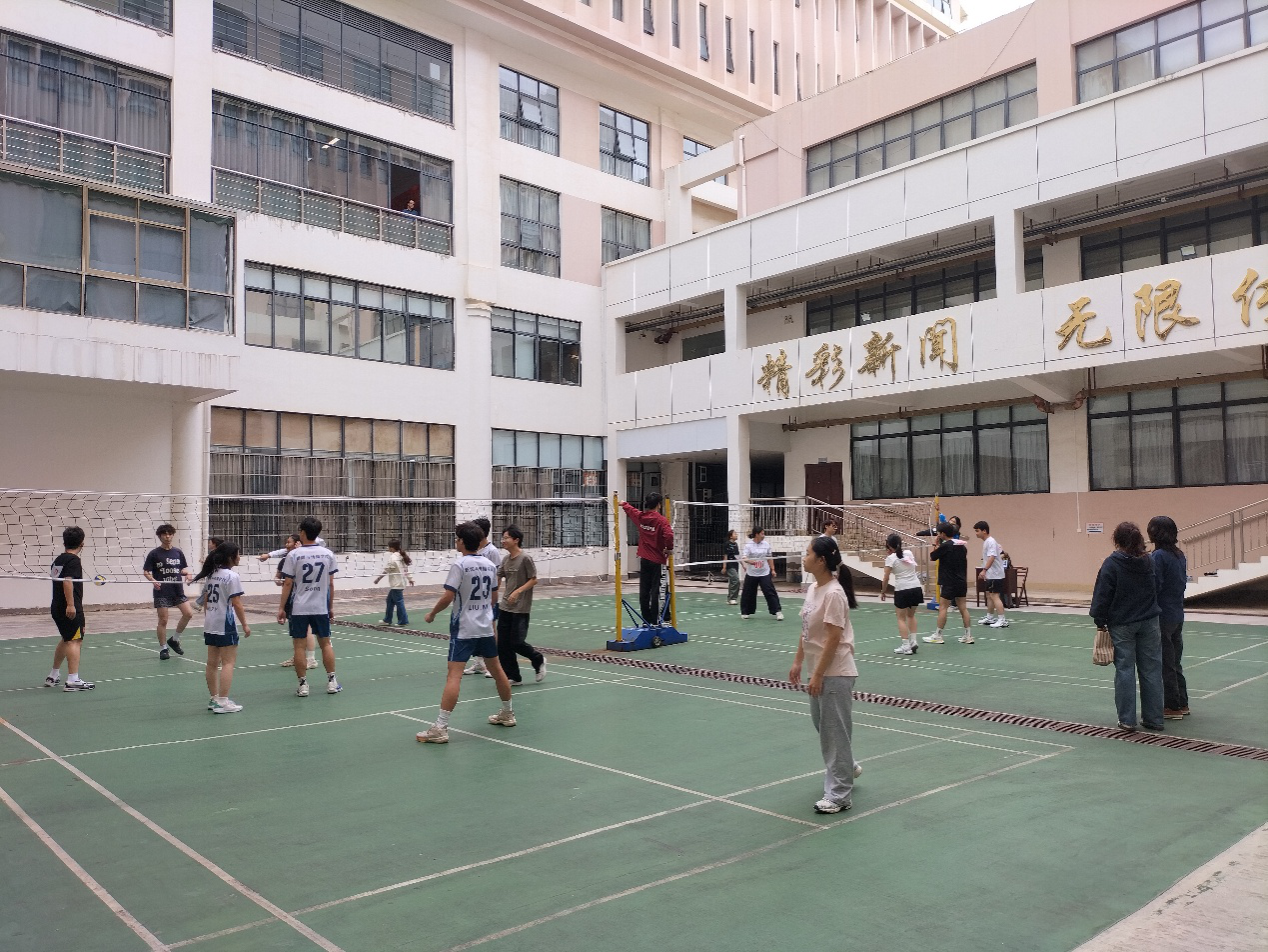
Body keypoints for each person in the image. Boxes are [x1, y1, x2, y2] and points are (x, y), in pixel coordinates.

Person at [416, 522, 517, 744]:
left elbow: (448, 596)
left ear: (462, 541)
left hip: (464, 629)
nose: (456, 541)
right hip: (485, 627)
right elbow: (493, 598)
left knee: (454, 675)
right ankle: (508, 713)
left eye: (457, 538)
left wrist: (432, 613)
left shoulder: (460, 565)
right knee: (497, 669)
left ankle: (440, 727)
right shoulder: (490, 565)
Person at [789, 535, 860, 814]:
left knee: (833, 733)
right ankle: (847, 765)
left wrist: (818, 675)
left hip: (835, 671)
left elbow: (833, 638)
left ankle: (840, 796)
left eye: (807, 553)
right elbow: (806, 629)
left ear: (820, 560)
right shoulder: (813, 589)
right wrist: (798, 661)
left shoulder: (833, 594)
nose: (804, 557)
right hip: (818, 669)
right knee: (825, 727)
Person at [1090, 522, 1164, 732]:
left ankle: (1127, 720)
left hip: (1122, 623)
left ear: (1117, 540)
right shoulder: (1149, 561)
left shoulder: (1112, 564)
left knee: (1124, 669)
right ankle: (1154, 718)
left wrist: (1099, 620)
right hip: (1149, 621)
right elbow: (1157, 586)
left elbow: (1102, 594)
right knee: (1151, 669)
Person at [278, 517, 340, 697]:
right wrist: (330, 607)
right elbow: (331, 584)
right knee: (325, 643)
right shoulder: (328, 554)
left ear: (302, 533)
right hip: (320, 606)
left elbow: (288, 583)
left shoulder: (294, 555)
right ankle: (332, 681)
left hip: (299, 607)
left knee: (299, 647)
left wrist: (281, 608)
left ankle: (303, 685)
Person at [193, 542, 251, 714]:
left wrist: (209, 617)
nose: (240, 557)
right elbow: (237, 604)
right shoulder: (231, 576)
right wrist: (245, 625)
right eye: (238, 554)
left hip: (211, 622)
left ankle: (214, 699)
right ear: (230, 557)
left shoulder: (212, 574)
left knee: (212, 663)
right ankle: (223, 702)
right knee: (228, 662)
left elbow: (205, 599)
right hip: (225, 623)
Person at [1148, 515, 1189, 720]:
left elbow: (1155, 585)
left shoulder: (1158, 556)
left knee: (1165, 662)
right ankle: (1182, 702)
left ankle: (1172, 706)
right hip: (1177, 613)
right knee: (1175, 661)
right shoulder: (1179, 555)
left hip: (1163, 615)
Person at [45, 526, 94, 692]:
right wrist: (71, 605)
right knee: (75, 640)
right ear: (82, 543)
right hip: (69, 608)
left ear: (64, 542)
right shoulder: (73, 560)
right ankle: (73, 680)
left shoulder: (58, 560)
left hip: (56, 606)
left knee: (67, 639)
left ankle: (53, 675)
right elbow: (67, 581)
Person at [259, 534, 318, 669]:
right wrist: (277, 580)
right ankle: (298, 656)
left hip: (303, 597)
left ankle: (311, 659)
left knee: (307, 628)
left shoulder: (304, 558)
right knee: (295, 630)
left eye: (289, 542)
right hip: (290, 597)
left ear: (297, 543)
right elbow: (279, 577)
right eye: (286, 542)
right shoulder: (285, 560)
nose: (286, 545)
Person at [496, 525, 545, 685]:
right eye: (503, 538)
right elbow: (498, 577)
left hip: (520, 608)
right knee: (502, 644)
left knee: (516, 642)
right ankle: (513, 676)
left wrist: (518, 591)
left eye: (506, 538)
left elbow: (533, 579)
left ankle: (537, 659)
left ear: (516, 540)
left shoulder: (525, 558)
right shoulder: (505, 559)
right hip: (505, 607)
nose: (503, 541)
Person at [619, 493, 675, 627]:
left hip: (644, 559)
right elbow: (669, 535)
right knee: (657, 590)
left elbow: (632, 511)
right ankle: (656, 621)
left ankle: (646, 620)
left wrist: (624, 504)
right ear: (659, 505)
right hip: (657, 560)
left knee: (644, 590)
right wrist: (668, 548)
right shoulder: (661, 520)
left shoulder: (641, 517)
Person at [143, 523, 193, 659]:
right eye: (164, 534)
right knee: (163, 620)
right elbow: (146, 572)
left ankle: (174, 639)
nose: (167, 536)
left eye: (170, 534)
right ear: (160, 536)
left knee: (188, 613)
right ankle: (163, 648)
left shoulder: (178, 552)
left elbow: (180, 569)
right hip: (162, 591)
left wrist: (187, 573)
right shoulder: (154, 554)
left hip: (177, 590)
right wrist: (153, 580)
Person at [463, 517, 503, 677]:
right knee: (477, 629)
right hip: (476, 599)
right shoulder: (476, 550)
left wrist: (492, 597)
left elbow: (497, 576)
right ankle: (479, 663)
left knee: (491, 629)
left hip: (488, 598)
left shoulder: (492, 551)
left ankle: (494, 665)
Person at [923, 523, 972, 645]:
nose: (938, 535)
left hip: (949, 582)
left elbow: (932, 557)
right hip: (961, 581)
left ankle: (938, 635)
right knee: (963, 608)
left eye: (939, 533)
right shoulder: (962, 546)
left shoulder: (945, 546)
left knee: (943, 608)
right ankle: (968, 636)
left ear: (943, 534)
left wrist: (935, 544)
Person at [880, 533, 923, 655]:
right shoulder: (908, 553)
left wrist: (883, 591)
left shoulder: (890, 559)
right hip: (916, 587)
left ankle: (906, 646)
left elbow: (886, 578)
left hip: (902, 589)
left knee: (901, 618)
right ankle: (913, 641)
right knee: (911, 616)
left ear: (889, 546)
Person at [740, 527, 783, 620]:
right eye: (762, 534)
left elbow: (769, 557)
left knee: (770, 592)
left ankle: (777, 611)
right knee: (748, 593)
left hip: (764, 573)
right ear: (756, 534)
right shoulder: (748, 545)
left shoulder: (766, 544)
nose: (764, 535)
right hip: (752, 573)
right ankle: (745, 612)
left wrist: (773, 569)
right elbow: (744, 558)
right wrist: (751, 561)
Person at [974, 520, 1009, 629]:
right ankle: (989, 617)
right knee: (989, 595)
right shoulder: (987, 542)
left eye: (977, 531)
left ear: (984, 531)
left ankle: (1002, 620)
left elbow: (992, 557)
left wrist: (984, 570)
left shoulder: (991, 542)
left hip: (995, 574)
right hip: (990, 574)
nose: (976, 533)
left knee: (995, 596)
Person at [374, 539, 414, 626]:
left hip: (397, 584)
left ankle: (403, 621)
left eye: (388, 547)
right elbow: (406, 570)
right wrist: (410, 579)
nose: (388, 548)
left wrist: (378, 579)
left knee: (399, 602)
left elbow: (387, 569)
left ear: (392, 548)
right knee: (389, 601)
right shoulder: (401, 556)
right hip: (400, 583)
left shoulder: (393, 557)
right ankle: (387, 620)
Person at [722, 529, 740, 605]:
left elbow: (737, 556)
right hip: (729, 565)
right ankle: (733, 598)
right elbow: (725, 556)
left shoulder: (736, 544)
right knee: (736, 580)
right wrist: (724, 567)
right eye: (735, 534)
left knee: (732, 582)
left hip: (735, 565)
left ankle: (729, 598)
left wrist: (743, 564)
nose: (736, 535)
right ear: (731, 536)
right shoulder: (727, 544)